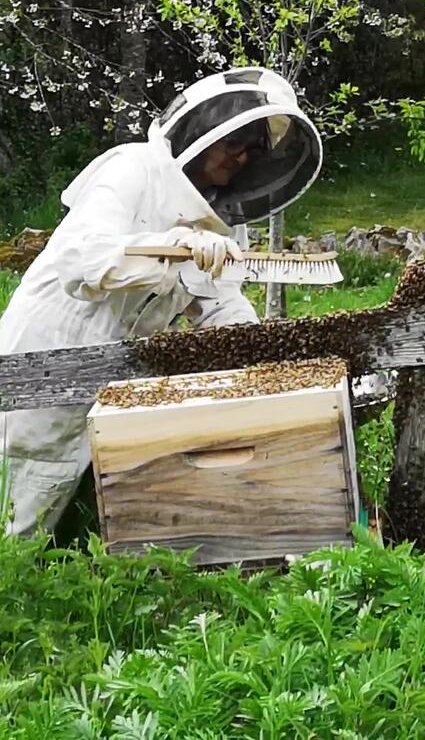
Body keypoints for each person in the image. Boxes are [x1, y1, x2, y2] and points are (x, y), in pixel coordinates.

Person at [0, 66, 322, 535]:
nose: (241, 157)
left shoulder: (219, 223)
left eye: (254, 149)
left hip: (110, 391)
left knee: (71, 541)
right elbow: (82, 260)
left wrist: (265, 358)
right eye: (236, 140)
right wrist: (170, 248)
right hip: (39, 368)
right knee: (14, 534)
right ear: (204, 127)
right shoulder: (133, 169)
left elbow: (220, 307)